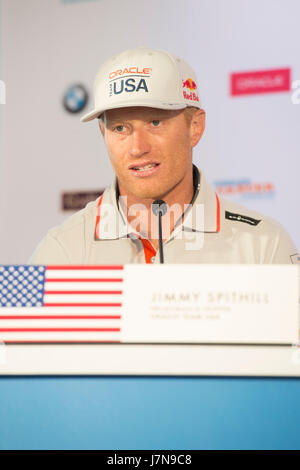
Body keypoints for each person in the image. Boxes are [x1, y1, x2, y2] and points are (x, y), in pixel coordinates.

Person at [28, 47, 299, 265]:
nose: (137, 147)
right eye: (120, 128)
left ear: (195, 127)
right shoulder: (61, 250)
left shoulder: (264, 245)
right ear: (103, 133)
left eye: (155, 123)